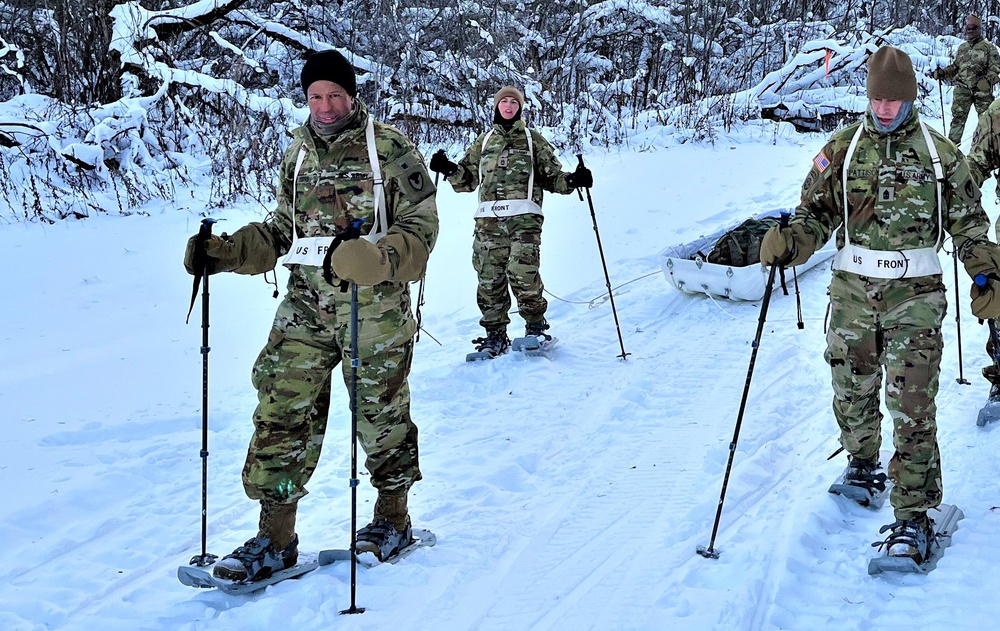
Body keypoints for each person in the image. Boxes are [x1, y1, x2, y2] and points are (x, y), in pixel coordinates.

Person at [182, 49, 439, 580]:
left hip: (373, 309)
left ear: (352, 95)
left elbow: (422, 227)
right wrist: (228, 251)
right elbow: (282, 229)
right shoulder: (297, 152)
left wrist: (379, 258)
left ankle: (393, 516)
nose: (324, 106)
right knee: (280, 404)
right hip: (305, 305)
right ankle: (275, 537)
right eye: (315, 96)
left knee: (380, 413)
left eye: (334, 95)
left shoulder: (388, 149)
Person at [760, 46, 1000, 565]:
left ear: (909, 96)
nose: (885, 107)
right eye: (876, 97)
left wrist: (986, 275)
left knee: (911, 405)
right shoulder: (841, 151)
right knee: (851, 390)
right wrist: (791, 242)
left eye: (894, 98)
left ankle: (913, 517)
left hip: (914, 297)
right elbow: (815, 215)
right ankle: (863, 462)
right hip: (851, 295)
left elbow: (969, 225)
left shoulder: (939, 155)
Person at [428, 86, 592, 357]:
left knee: (522, 272)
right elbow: (467, 179)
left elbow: (552, 177)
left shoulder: (532, 140)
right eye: (503, 101)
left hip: (524, 220)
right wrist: (447, 168)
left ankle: (536, 328)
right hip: (488, 223)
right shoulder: (484, 141)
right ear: (496, 106)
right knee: (488, 279)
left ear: (520, 107)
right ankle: (495, 336)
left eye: (513, 102)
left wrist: (574, 180)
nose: (507, 105)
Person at [932, 14, 1000, 146]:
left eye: (973, 27)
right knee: (957, 119)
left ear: (979, 28)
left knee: (987, 120)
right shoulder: (962, 48)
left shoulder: (988, 47)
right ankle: (952, 149)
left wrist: (986, 81)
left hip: (982, 92)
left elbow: (996, 69)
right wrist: (943, 73)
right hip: (962, 89)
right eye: (968, 28)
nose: (970, 30)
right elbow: (956, 67)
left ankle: (987, 149)